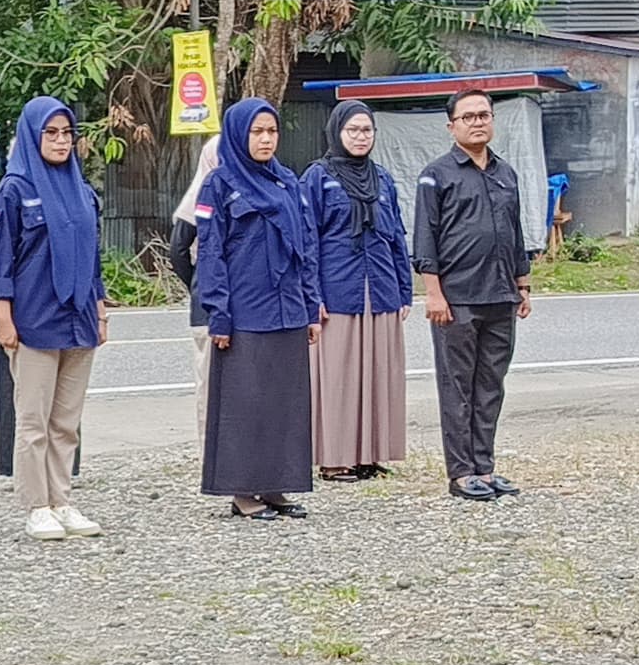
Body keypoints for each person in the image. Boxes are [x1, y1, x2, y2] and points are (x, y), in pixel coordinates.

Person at [0, 96, 109, 541]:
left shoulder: (81, 189)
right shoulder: (15, 189)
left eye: (66, 133)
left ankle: (62, 499)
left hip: (77, 318)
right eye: (50, 133)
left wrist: (99, 307)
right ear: (31, 136)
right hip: (33, 317)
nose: (60, 141)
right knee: (33, 419)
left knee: (66, 421)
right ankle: (36, 505)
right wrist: (2, 315)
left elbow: (92, 257)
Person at [194, 93, 322, 518]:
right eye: (257, 132)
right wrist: (219, 314)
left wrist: (309, 305)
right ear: (237, 134)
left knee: (283, 401)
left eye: (272, 131)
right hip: (245, 312)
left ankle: (276, 484)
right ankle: (242, 491)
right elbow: (210, 253)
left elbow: (306, 246)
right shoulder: (219, 184)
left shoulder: (287, 181)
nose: (266, 140)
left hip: (287, 309)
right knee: (245, 403)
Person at [412, 87, 534, 501]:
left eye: (484, 115)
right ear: (452, 126)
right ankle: (461, 472)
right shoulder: (437, 174)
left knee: (490, 386)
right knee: (457, 388)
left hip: (500, 296)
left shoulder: (506, 173)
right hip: (457, 299)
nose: (479, 121)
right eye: (469, 116)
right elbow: (425, 237)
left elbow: (515, 233)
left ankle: (485, 466)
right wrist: (433, 293)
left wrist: (523, 284)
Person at [303, 101, 410, 476]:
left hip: (380, 288)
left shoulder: (382, 178)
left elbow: (397, 236)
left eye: (367, 130)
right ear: (337, 132)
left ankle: (369, 454)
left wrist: (404, 289)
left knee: (379, 374)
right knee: (338, 377)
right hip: (337, 290)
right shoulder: (317, 177)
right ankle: (334, 459)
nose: (361, 137)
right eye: (353, 130)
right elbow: (306, 241)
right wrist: (310, 295)